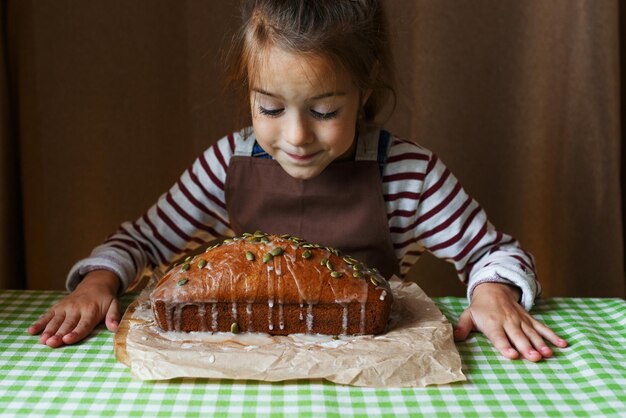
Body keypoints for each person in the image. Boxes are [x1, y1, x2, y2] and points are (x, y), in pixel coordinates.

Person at [28, 0, 567, 361]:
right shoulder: (225, 165)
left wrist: (494, 288)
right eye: (270, 107)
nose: (297, 136)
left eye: (326, 110)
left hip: (372, 371)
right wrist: (100, 281)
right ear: (249, 95)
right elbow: (142, 242)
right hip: (245, 370)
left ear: (364, 90)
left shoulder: (409, 173)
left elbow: (493, 251)